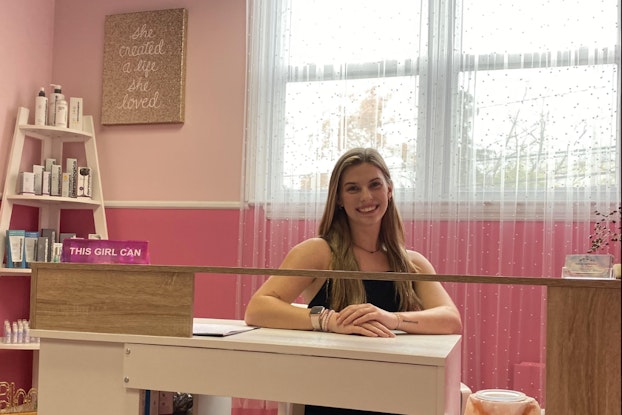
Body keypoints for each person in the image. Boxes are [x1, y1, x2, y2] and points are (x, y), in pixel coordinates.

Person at [244, 147, 462, 415]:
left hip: (398, 391)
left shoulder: (412, 262)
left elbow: (451, 319)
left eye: (374, 185)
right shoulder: (318, 252)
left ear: (389, 190)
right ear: (338, 199)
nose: (366, 197)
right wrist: (330, 321)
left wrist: (392, 319)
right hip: (332, 393)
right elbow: (258, 309)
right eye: (353, 189)